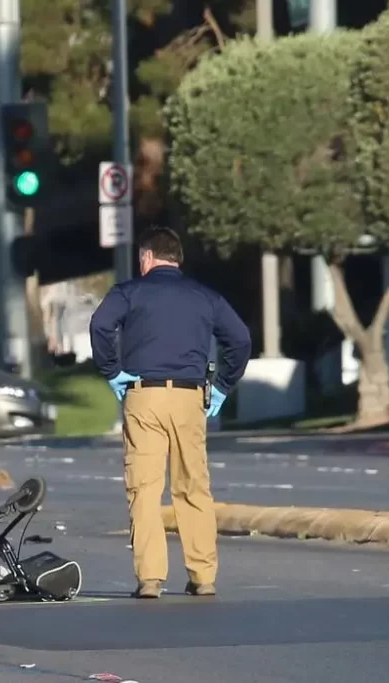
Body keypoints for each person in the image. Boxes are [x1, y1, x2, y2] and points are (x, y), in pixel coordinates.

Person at [88, 226, 251, 600]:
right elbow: (239, 339)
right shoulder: (205, 297)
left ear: (146, 257)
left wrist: (112, 371)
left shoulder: (130, 291)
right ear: (178, 258)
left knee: (144, 489)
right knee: (193, 486)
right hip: (190, 398)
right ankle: (202, 574)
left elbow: (100, 324)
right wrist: (223, 386)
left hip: (143, 395)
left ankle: (150, 578)